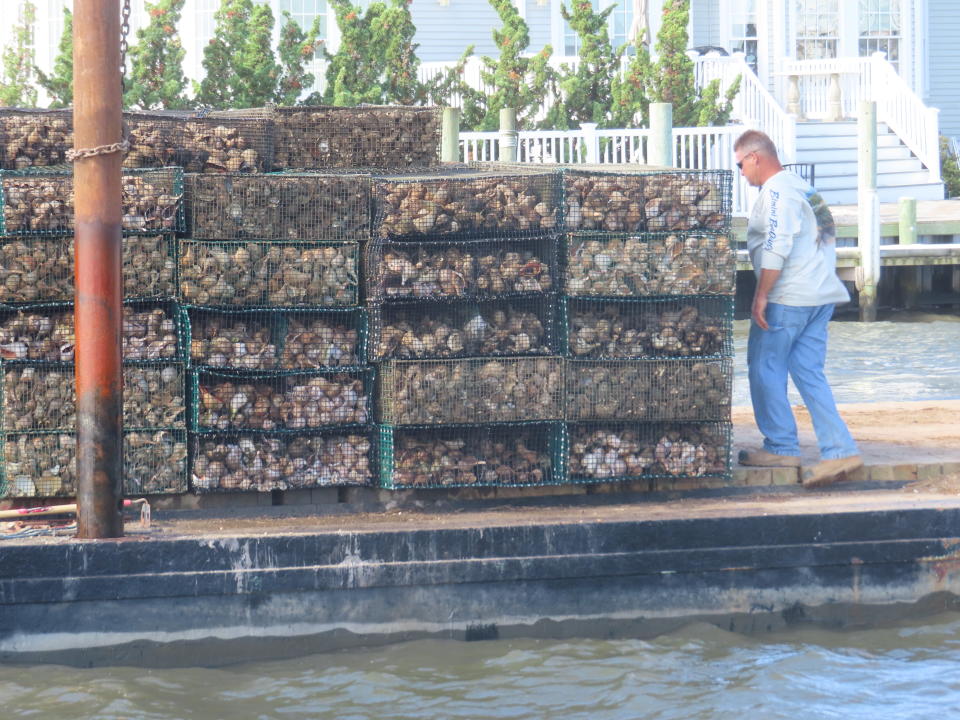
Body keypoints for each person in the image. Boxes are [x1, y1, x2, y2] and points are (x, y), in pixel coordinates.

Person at [734, 129, 862, 488]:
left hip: (790, 297)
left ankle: (781, 446)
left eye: (741, 164)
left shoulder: (777, 192)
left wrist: (761, 296)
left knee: (764, 367)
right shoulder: (802, 187)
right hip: (821, 294)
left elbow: (777, 244)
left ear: (755, 157)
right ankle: (840, 450)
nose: (742, 173)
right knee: (808, 371)